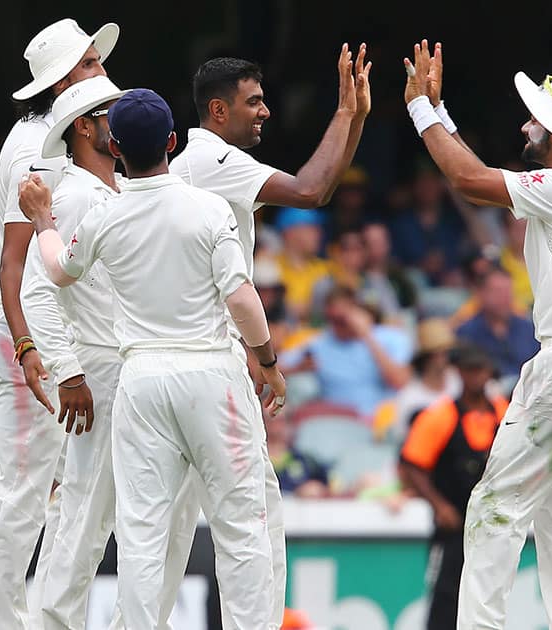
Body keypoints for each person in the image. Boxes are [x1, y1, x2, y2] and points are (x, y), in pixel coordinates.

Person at [17, 89, 287, 629]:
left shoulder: (104, 216)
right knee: (240, 524)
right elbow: (240, 297)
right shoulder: (206, 206)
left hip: (141, 379)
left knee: (141, 532)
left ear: (114, 146)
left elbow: (57, 271)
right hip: (210, 371)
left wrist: (44, 220)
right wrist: (269, 361)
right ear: (171, 141)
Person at [403, 41, 552, 629]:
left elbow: (466, 178)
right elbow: (483, 174)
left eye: (536, 119)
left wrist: (420, 111)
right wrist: (442, 108)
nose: (525, 125)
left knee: (493, 506)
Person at [168, 47, 370, 627]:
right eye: (253, 102)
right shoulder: (212, 160)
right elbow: (312, 191)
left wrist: (352, 116)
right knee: (248, 517)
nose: (265, 113)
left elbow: (318, 187)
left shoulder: (187, 162)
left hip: (181, 361)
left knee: (181, 527)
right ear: (217, 109)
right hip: (211, 361)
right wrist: (344, 111)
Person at [0, 19, 118, 630]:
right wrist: (21, 340)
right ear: (63, 81)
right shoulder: (41, 146)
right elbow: (18, 259)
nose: (103, 73)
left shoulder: (46, 136)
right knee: (30, 495)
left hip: (49, 326)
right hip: (39, 329)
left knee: (66, 492)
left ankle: (45, 621)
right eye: (90, 64)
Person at [17, 75, 128, 630]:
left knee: (86, 514)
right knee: (87, 515)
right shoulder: (78, 194)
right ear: (85, 127)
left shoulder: (112, 191)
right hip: (99, 368)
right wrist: (70, 371)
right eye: (111, 112)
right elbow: (37, 289)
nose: (122, 120)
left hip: (120, 365)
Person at [399, 345, 508, 630]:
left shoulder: (504, 413)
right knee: (445, 598)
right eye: (469, 370)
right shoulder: (440, 415)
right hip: (453, 527)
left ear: (489, 373)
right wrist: (439, 505)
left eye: (480, 370)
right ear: (459, 373)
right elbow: (412, 463)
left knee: (489, 598)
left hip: (492, 525)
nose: (475, 377)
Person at [284, 286, 413, 417]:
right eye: (333, 319)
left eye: (342, 319)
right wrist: (298, 368)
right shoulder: (319, 344)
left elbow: (400, 382)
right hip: (336, 421)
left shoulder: (391, 338)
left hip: (381, 420)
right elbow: (275, 368)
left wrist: (367, 335)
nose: (338, 326)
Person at [455, 267, 539, 379]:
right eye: (498, 291)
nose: (505, 297)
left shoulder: (528, 329)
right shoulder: (466, 333)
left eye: (508, 291)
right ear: (481, 293)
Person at [389, 318, 462, 444]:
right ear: (429, 357)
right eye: (443, 352)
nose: (449, 357)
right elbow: (404, 442)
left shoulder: (462, 382)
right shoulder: (409, 397)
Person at [265, 410, 331, 498]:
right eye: (270, 419)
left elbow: (328, 486)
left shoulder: (304, 461)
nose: (275, 426)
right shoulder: (253, 462)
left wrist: (316, 488)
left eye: (280, 420)